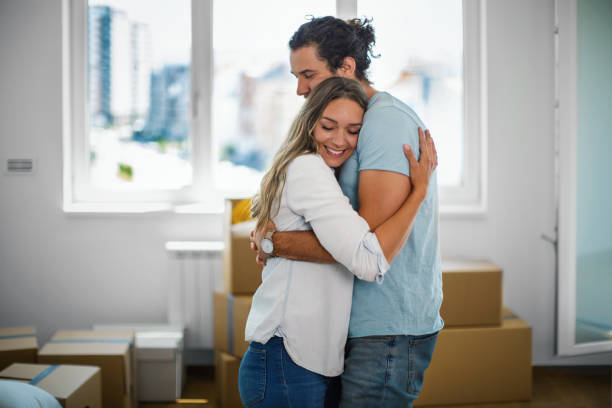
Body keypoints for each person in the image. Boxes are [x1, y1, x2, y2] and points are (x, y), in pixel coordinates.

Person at [252, 17, 443, 407]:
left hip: (387, 325)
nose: (300, 88)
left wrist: (277, 243)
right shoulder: (356, 126)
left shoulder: (385, 123)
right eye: (296, 76)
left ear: (346, 68)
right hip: (361, 325)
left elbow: (363, 246)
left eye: (308, 74)